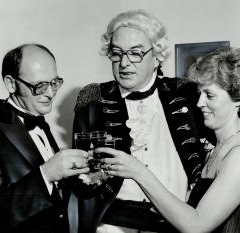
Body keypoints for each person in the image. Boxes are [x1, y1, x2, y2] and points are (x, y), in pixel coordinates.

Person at [99, 47, 240, 233]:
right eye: (200, 93)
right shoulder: (219, 149)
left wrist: (139, 172)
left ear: (239, 98)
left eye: (210, 95)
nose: (199, 103)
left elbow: (196, 226)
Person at [71, 10, 215, 233]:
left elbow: (212, 161)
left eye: (135, 53)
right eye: (117, 53)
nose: (124, 63)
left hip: (175, 222)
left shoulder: (186, 93)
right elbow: (82, 179)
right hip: (112, 225)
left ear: (157, 55)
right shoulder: (93, 100)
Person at [0, 43, 90, 233]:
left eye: (54, 83)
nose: (51, 93)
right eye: (39, 85)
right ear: (11, 83)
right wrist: (47, 174)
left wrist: (87, 176)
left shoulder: (39, 121)